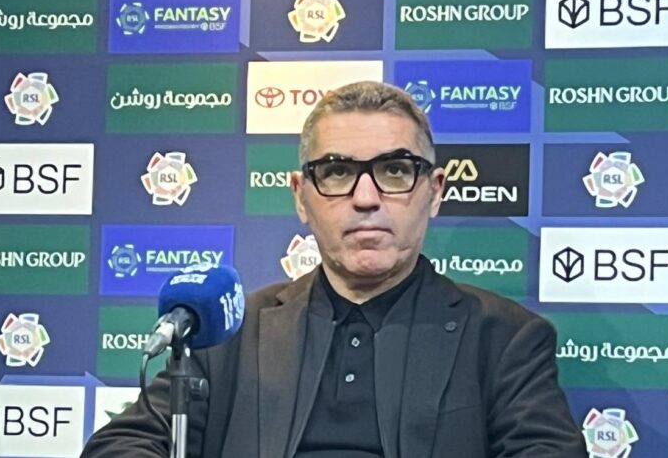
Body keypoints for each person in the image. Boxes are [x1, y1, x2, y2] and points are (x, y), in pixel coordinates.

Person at [82, 81, 585, 457]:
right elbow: (122, 446)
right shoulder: (231, 331)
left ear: (434, 192)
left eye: (395, 171)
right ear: (301, 197)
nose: (366, 198)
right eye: (338, 172)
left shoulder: (504, 339)